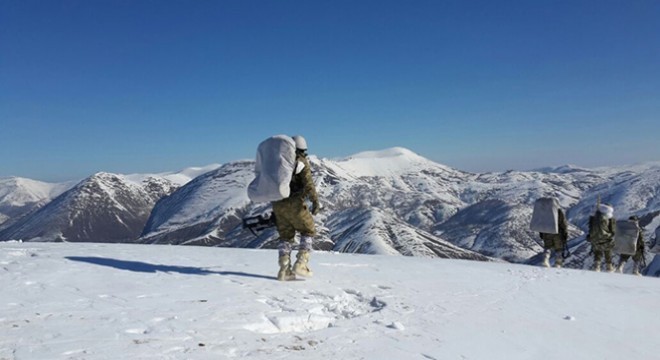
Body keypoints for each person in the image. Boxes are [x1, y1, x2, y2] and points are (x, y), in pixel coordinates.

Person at [272, 135, 320, 281]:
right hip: (294, 203)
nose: (304, 154)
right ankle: (301, 263)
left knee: (285, 236)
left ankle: (284, 269)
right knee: (308, 230)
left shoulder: (277, 161)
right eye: (304, 151)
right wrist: (315, 201)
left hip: (277, 204)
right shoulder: (300, 161)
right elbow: (309, 184)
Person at [587, 203, 616, 272]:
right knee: (608, 250)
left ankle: (597, 266)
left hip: (594, 238)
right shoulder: (610, 217)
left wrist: (591, 236)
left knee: (597, 252)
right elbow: (613, 230)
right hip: (606, 237)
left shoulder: (593, 216)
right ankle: (609, 267)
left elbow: (590, 227)